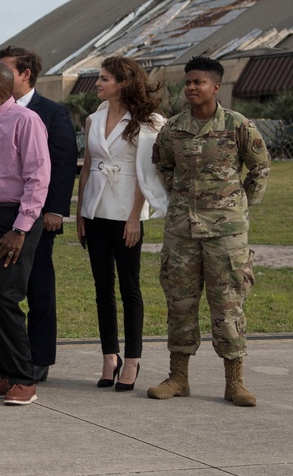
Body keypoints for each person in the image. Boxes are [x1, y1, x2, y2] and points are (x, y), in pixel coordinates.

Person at [148, 56, 270, 406]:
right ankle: (178, 377)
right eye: (187, 82)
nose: (190, 88)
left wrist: (240, 205)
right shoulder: (173, 128)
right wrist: (182, 196)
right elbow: (162, 164)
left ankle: (235, 382)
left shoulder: (237, 125)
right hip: (182, 230)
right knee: (180, 304)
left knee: (228, 305)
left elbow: (259, 167)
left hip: (226, 234)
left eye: (198, 82)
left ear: (216, 87)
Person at [76, 56, 167, 390]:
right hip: (95, 210)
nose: (97, 84)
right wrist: (81, 214)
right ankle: (108, 357)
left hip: (126, 211)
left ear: (123, 82)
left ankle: (132, 359)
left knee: (130, 287)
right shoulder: (93, 119)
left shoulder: (149, 122)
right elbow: (87, 166)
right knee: (102, 288)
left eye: (103, 79)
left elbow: (147, 173)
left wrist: (134, 218)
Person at [0, 62, 50, 405]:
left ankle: (23, 378)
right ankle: (5, 372)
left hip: (13, 222)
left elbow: (38, 178)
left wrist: (20, 228)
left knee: (5, 297)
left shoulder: (25, 121)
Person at [0, 45, 78, 383]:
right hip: (2, 215)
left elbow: (61, 165)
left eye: (7, 70)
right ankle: (11, 357)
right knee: (6, 290)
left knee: (39, 287)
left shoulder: (51, 112)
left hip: (39, 217)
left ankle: (40, 356)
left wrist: (55, 210)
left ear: (25, 74)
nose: (0, 77)